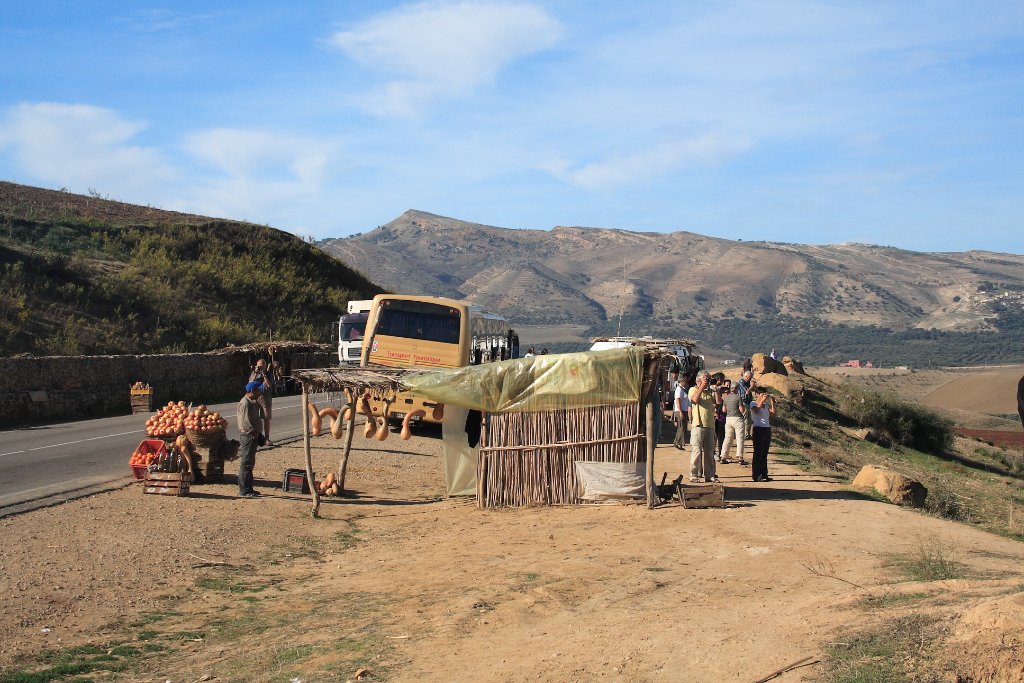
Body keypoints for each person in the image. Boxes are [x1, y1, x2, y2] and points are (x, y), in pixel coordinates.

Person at [236, 380, 266, 498]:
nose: (260, 392)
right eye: (258, 390)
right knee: (246, 463)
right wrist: (256, 434)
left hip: (253, 436)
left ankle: (249, 488)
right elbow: (245, 423)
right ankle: (244, 490)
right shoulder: (245, 403)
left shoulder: (251, 402)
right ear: (252, 391)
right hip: (249, 436)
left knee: (250, 463)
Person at [688, 371, 718, 483]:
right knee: (697, 451)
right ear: (699, 380)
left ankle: (709, 475)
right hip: (698, 424)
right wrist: (702, 387)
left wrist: (715, 389)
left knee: (709, 452)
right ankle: (694, 474)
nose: (708, 381)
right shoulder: (693, 389)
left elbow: (718, 402)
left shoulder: (710, 391)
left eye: (708, 379)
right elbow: (694, 400)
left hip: (710, 424)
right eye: (706, 379)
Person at [749, 386, 776, 482]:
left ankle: (764, 474)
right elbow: (756, 411)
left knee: (764, 453)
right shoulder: (753, 403)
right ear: (757, 394)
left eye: (764, 394)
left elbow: (772, 413)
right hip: (758, 429)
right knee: (758, 453)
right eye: (762, 394)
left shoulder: (765, 405)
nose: (764, 396)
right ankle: (756, 475)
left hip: (766, 429)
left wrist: (772, 402)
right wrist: (762, 401)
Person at [248, 359, 275, 447]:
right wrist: (256, 373)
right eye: (258, 365)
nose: (260, 367)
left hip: (265, 396)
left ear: (265, 365)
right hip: (255, 397)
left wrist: (264, 374)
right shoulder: (254, 373)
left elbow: (269, 385)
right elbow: (250, 383)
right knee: (254, 417)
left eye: (261, 365)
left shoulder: (268, 374)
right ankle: (257, 437)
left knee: (266, 417)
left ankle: (267, 438)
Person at [719, 382, 747, 466]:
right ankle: (740, 457)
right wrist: (744, 407)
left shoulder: (726, 398)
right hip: (738, 418)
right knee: (740, 438)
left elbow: (724, 410)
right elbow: (742, 410)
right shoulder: (738, 397)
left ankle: (723, 456)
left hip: (728, 419)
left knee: (728, 438)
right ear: (737, 388)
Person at [673, 374, 691, 449]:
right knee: (681, 427)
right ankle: (677, 442)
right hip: (680, 410)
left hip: (684, 410)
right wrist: (680, 411)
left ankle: (679, 443)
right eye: (685, 380)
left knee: (683, 427)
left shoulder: (683, 389)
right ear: (682, 381)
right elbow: (677, 401)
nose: (686, 382)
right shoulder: (679, 389)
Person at [737, 370, 755, 441]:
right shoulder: (741, 382)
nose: (750, 379)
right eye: (750, 378)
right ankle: (743, 434)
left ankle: (747, 434)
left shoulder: (747, 382)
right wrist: (752, 386)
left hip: (747, 402)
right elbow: (747, 391)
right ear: (746, 376)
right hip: (743, 402)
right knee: (744, 419)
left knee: (749, 419)